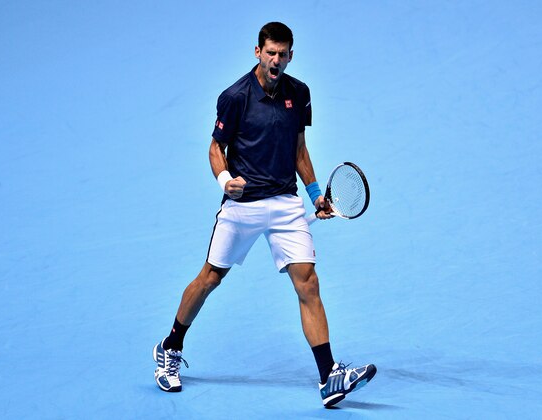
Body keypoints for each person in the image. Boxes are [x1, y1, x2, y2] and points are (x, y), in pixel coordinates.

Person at [153, 22, 376, 407]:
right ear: (257, 52)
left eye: (282, 54)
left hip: (286, 203)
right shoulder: (235, 97)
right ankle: (170, 347)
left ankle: (329, 378)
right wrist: (225, 180)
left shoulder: (300, 93)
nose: (276, 60)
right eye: (270, 53)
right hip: (242, 205)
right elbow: (214, 148)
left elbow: (299, 150)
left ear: (291, 55)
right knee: (209, 279)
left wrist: (314, 196)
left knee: (308, 283)